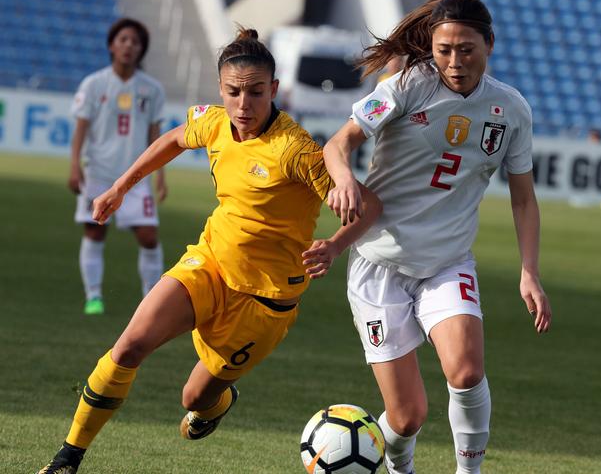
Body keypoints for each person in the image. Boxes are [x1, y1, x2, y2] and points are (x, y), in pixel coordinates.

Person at [37, 27, 381, 474]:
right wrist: (120, 187)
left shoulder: (294, 150)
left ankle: (215, 404)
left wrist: (335, 245)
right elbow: (174, 139)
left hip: (265, 300)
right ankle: (68, 458)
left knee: (193, 398)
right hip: (210, 263)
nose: (244, 104)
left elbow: (369, 206)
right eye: (234, 92)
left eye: (256, 93)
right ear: (220, 89)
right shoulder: (215, 121)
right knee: (128, 348)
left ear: (274, 89)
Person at [323, 0, 552, 474]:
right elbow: (339, 143)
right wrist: (345, 179)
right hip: (379, 264)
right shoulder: (407, 85)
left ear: (489, 44)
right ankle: (398, 465)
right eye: (444, 49)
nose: (454, 61)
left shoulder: (511, 109)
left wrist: (529, 271)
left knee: (467, 372)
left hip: (448, 261)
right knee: (407, 418)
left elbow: (523, 198)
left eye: (466, 49)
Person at [69, 18, 167, 315]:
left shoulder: (152, 89)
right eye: (123, 39)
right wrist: (75, 166)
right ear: (112, 45)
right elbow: (80, 129)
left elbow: (156, 137)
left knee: (149, 237)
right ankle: (94, 296)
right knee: (95, 232)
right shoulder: (94, 83)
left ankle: (151, 301)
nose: (129, 46)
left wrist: (160, 175)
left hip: (136, 177)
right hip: (98, 173)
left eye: (135, 42)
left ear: (141, 50)